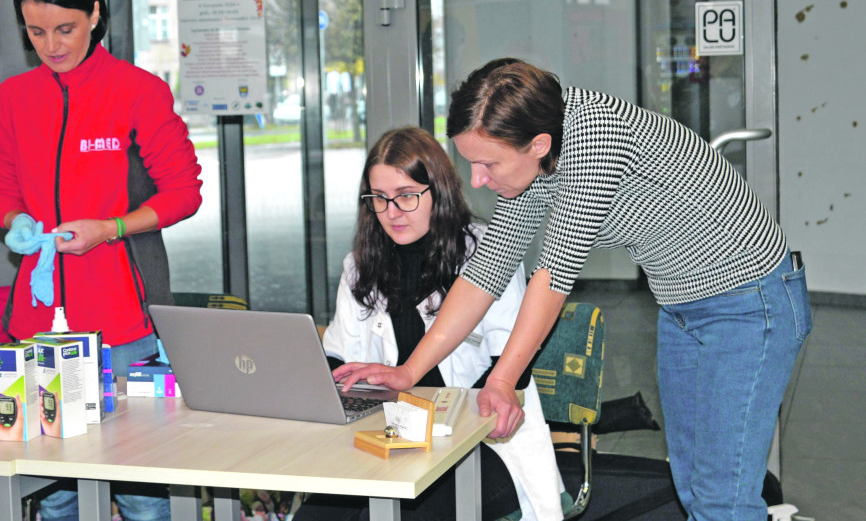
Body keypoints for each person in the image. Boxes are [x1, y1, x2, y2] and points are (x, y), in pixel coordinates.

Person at [338, 59, 811, 519]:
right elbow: (488, 268)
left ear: (539, 144)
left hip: (751, 305)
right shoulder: (537, 148)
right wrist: (410, 370)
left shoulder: (595, 138)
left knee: (722, 499)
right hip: (681, 308)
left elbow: (552, 275)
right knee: (691, 487)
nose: (477, 179)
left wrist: (502, 381)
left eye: (486, 164)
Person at [0, 0, 203, 521]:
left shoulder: (138, 91)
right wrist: (17, 225)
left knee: (139, 486)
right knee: (54, 490)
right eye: (36, 32)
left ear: (95, 15)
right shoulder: (12, 100)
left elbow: (184, 192)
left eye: (66, 29)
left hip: (124, 316)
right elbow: (0, 192)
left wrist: (112, 228)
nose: (52, 45)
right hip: (38, 321)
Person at [294, 127, 563, 521]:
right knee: (314, 517)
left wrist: (435, 423)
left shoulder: (489, 252)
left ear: (438, 191)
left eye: (406, 196)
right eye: (379, 199)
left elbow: (509, 370)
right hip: (388, 439)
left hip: (480, 449)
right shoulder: (360, 266)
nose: (392, 212)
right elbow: (339, 356)